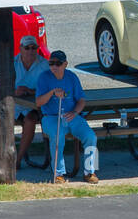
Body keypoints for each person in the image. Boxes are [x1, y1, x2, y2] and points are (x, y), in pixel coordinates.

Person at [0, 34, 47, 166]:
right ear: (20, 49)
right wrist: (14, 92)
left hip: (35, 106)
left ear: (37, 49)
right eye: (27, 48)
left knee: (30, 121)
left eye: (33, 47)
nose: (30, 51)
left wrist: (31, 91)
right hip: (14, 105)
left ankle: (17, 160)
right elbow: (1, 87)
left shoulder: (44, 65)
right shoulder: (11, 63)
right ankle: (5, 153)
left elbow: (49, 88)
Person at [35, 49, 98, 183]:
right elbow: (38, 102)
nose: (54, 67)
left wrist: (75, 112)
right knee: (58, 138)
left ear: (65, 64)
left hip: (71, 116)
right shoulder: (43, 77)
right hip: (51, 117)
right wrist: (51, 92)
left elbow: (81, 100)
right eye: (51, 63)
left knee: (91, 136)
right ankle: (58, 173)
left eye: (58, 64)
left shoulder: (72, 77)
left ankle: (90, 172)